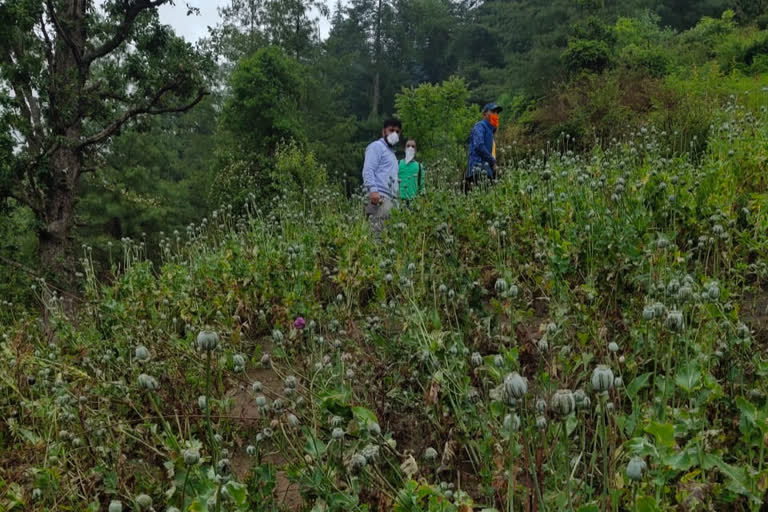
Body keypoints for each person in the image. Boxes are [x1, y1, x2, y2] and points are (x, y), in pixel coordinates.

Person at [362, 118, 401, 236]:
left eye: (397, 132)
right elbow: (368, 169)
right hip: (379, 197)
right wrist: (373, 190)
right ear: (383, 131)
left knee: (387, 237)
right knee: (376, 235)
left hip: (391, 200)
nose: (394, 134)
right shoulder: (377, 146)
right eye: (391, 130)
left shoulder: (392, 154)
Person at [465, 102, 502, 192]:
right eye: (493, 111)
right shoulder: (480, 126)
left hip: (487, 170)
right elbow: (479, 145)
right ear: (485, 113)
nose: (496, 115)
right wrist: (493, 162)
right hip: (478, 169)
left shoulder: (490, 130)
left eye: (497, 112)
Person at [398, 139, 424, 205]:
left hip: (413, 201)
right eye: (408, 146)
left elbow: (422, 185)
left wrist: (422, 200)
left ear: (415, 150)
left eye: (413, 146)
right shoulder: (398, 164)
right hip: (399, 200)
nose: (410, 148)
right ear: (405, 149)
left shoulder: (419, 166)